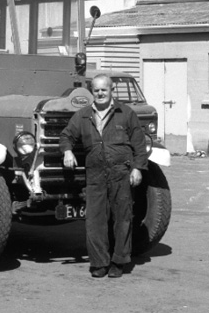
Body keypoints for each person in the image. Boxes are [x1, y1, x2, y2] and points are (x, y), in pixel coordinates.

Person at [59, 73, 149, 279]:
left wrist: (137, 168)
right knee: (95, 220)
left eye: (104, 90)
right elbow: (66, 136)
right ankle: (99, 263)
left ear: (111, 91)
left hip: (121, 173)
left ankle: (119, 261)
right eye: (96, 90)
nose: (100, 93)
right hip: (95, 174)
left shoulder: (126, 113)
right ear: (92, 92)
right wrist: (67, 150)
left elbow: (139, 144)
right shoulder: (82, 115)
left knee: (122, 218)